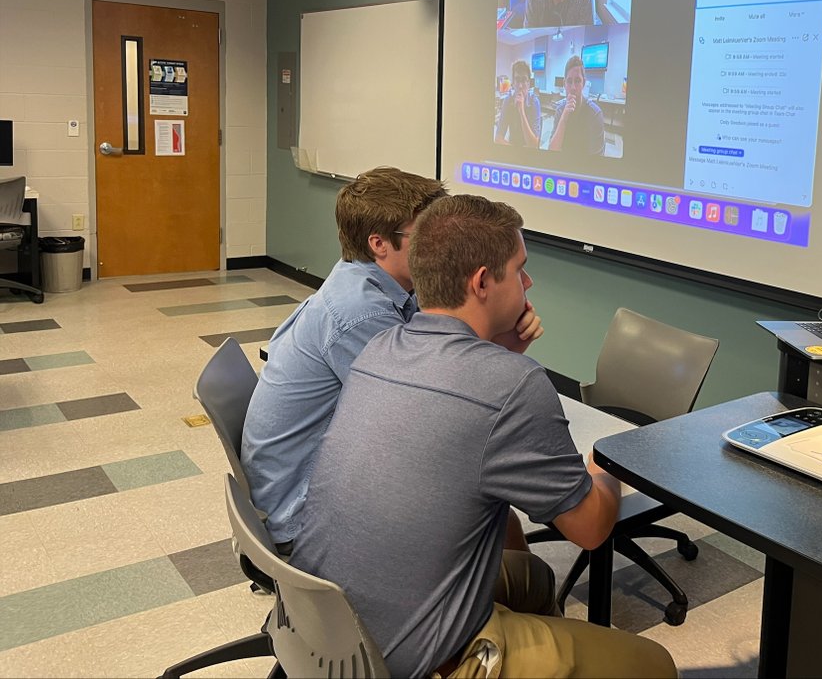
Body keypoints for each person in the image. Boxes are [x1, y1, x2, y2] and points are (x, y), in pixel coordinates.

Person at [291, 195, 677, 679]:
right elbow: (591, 530)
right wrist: (607, 463)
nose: (529, 282)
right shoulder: (513, 384)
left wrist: (499, 352)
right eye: (520, 269)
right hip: (403, 660)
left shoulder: (381, 346)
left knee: (534, 578)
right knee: (653, 665)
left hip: (319, 627)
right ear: (481, 282)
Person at [241, 168, 543, 547]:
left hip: (309, 481)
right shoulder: (363, 313)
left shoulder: (373, 283)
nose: (438, 245)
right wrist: (501, 354)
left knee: (497, 515)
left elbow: (440, 373)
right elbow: (428, 415)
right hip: (303, 513)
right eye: (424, 236)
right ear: (379, 244)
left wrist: (501, 345)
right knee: (483, 501)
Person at [548, 55, 605, 155]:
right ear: (564, 84)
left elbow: (597, 161)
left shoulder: (595, 114)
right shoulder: (560, 110)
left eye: (577, 81)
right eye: (569, 81)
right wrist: (564, 118)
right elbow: (552, 151)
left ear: (583, 83)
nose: (573, 87)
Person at [494, 59, 542, 147]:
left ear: (529, 83)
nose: (520, 86)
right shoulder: (508, 101)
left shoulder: (534, 102)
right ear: (513, 83)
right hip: (512, 147)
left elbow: (534, 145)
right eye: (517, 80)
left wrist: (521, 112)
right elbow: (498, 138)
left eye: (524, 80)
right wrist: (516, 152)